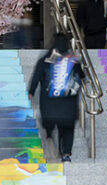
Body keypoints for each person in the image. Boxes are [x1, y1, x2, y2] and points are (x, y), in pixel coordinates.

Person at [28, 33, 84, 162]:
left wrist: (31, 92)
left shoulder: (45, 60)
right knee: (67, 129)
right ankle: (66, 153)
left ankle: (49, 140)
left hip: (49, 103)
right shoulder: (73, 61)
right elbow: (82, 76)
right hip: (68, 103)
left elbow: (36, 77)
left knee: (50, 126)